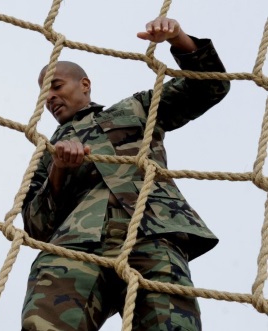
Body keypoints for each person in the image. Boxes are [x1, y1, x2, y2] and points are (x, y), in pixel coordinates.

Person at [21, 17, 230, 331]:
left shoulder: (134, 109)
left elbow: (209, 86)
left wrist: (179, 39)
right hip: (76, 248)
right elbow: (35, 227)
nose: (48, 97)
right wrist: (59, 172)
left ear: (84, 85)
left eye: (56, 85)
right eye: (42, 93)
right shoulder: (47, 152)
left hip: (152, 234)